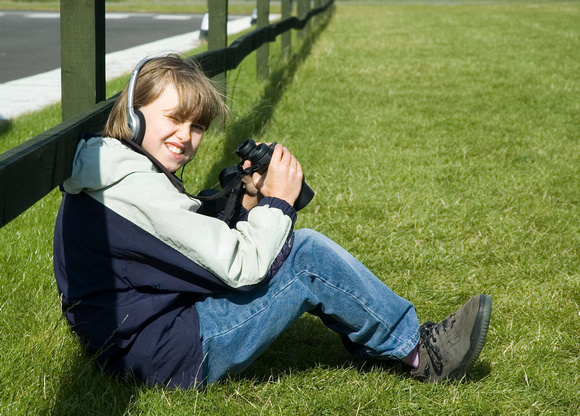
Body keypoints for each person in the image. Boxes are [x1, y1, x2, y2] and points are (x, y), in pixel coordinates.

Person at [53, 54, 492, 389]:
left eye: (197, 126)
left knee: (295, 251)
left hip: (135, 341)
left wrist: (246, 198)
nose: (185, 137)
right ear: (132, 112)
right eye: (173, 118)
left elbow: (184, 242)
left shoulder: (115, 169)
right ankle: (423, 354)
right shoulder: (133, 188)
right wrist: (277, 203)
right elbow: (240, 270)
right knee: (306, 257)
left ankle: (376, 344)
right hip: (165, 357)